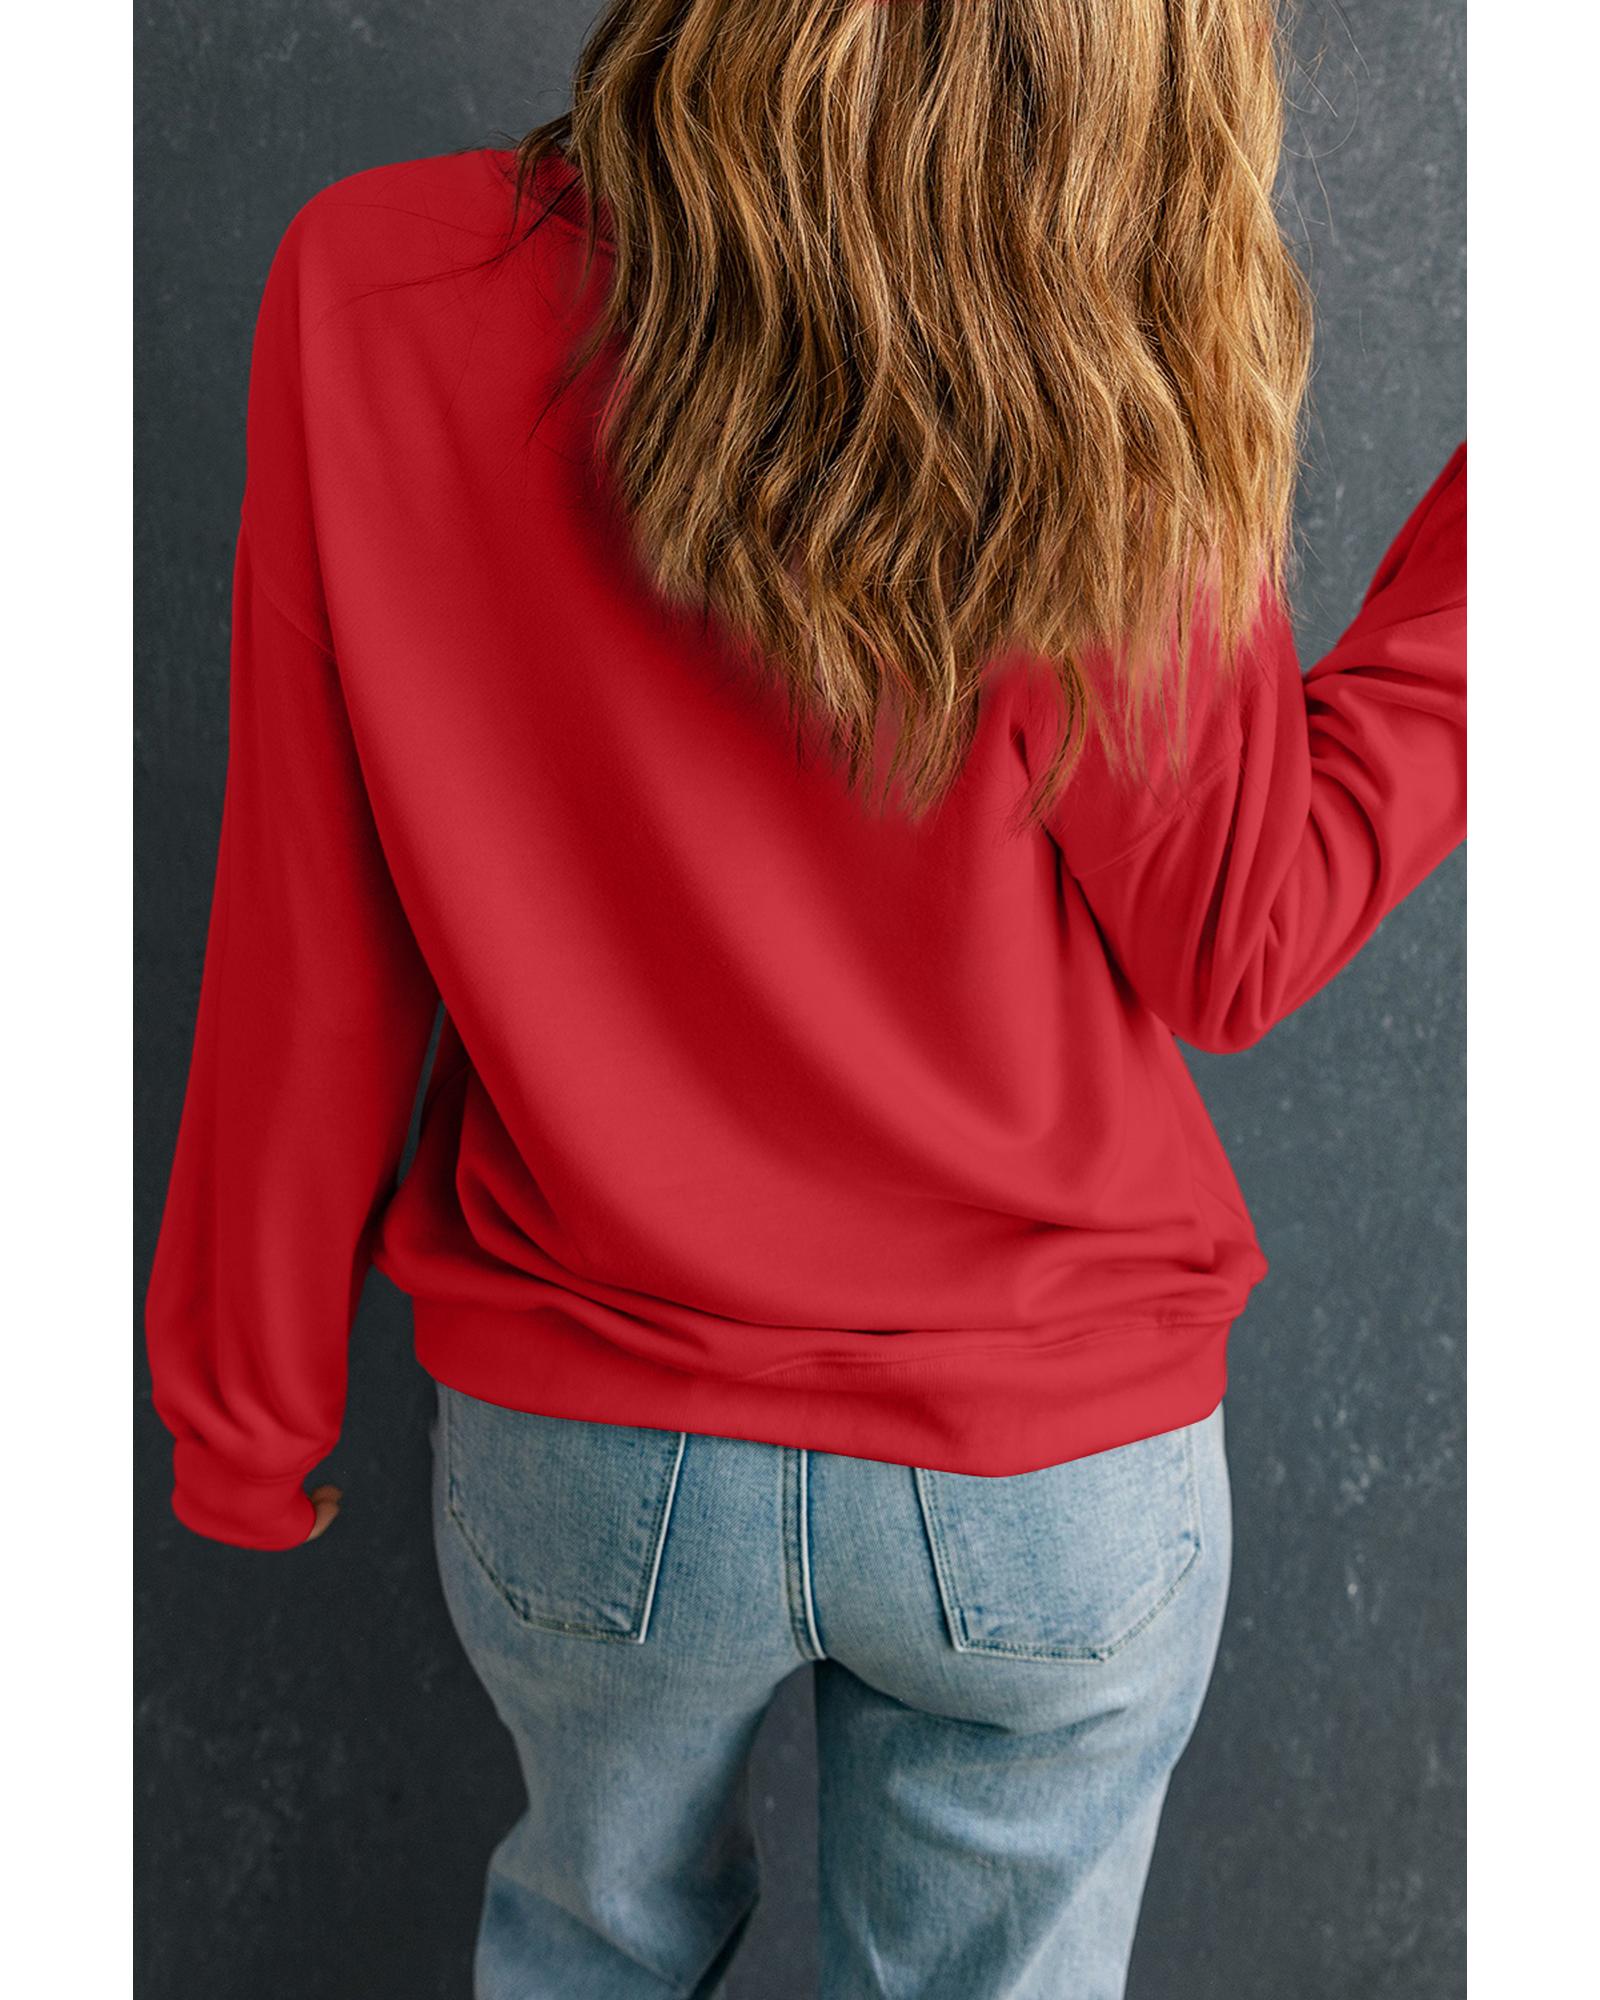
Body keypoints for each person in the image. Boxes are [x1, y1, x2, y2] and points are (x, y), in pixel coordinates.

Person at [143, 5, 1466, 1994]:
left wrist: (248, 1407)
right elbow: (1236, 934)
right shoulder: (1095, 356)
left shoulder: (375, 280)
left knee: (584, 1955)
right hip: (1040, 1454)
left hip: (590, 1445)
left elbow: (309, 921)